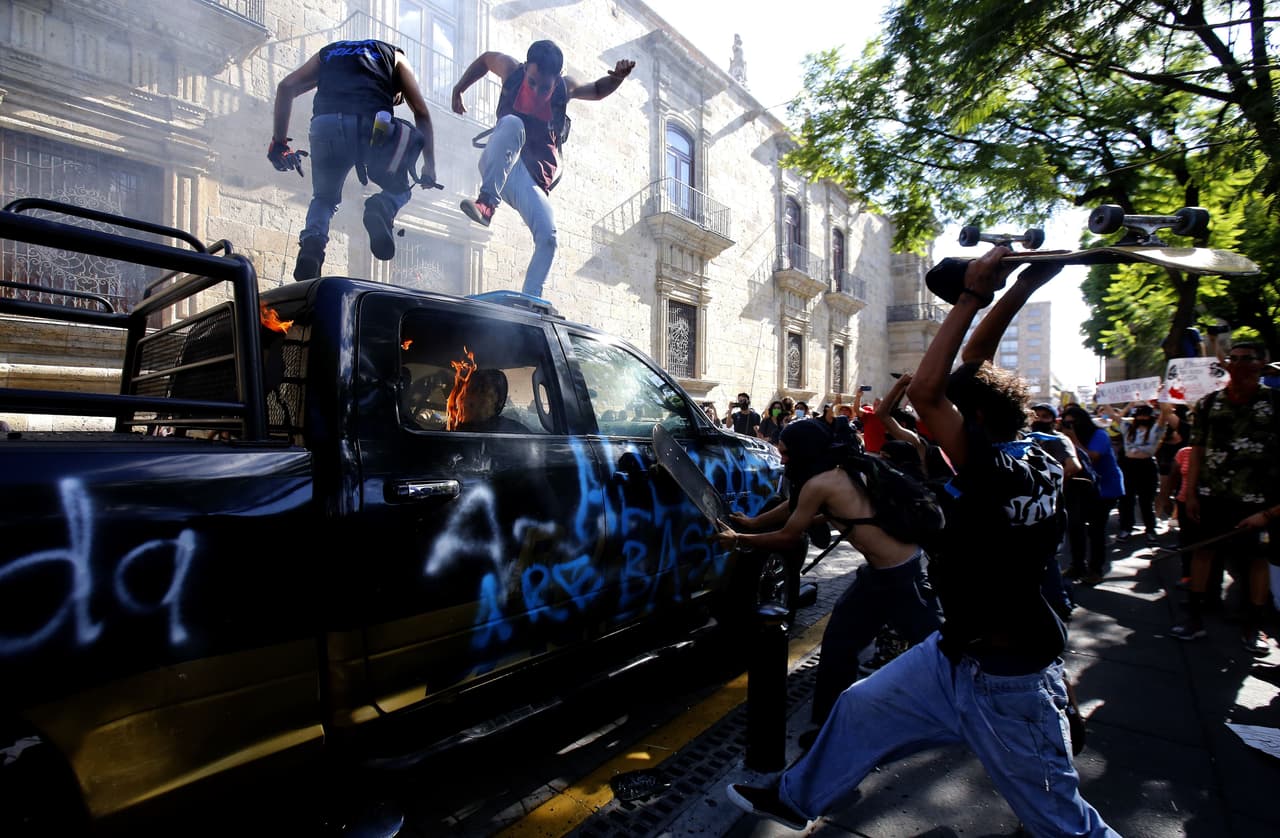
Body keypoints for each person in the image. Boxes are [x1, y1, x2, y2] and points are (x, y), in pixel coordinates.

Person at [725, 247, 1117, 837]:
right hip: (955, 652)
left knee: (1064, 825)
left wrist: (972, 296)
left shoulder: (994, 471)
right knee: (858, 706)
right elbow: (975, 368)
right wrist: (1024, 285)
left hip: (1008, 678)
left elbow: (935, 392)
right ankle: (794, 797)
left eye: (960, 412)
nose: (942, 417)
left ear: (975, 420)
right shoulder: (1036, 453)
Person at [714, 419, 941, 736]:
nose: (781, 460)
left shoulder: (821, 483)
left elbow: (788, 536)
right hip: (878, 574)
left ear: (803, 451)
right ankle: (829, 729)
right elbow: (797, 509)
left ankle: (986, 703)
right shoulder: (837, 469)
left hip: (900, 575)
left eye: (786, 453)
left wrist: (739, 539)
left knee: (942, 650)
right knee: (837, 645)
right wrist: (752, 524)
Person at [451, 42, 635, 298]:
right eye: (533, 82)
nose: (537, 92)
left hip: (530, 180)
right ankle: (486, 204)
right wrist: (459, 89)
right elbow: (484, 60)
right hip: (500, 163)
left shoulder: (565, 88)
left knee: (549, 238)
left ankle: (530, 301)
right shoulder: (511, 70)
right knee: (514, 124)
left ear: (557, 79)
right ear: (526, 68)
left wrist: (616, 78)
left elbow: (595, 89)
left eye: (545, 87)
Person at [270, 39, 437, 280]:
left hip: (324, 127)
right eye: (396, 97)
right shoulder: (397, 57)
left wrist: (279, 143)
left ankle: (312, 248)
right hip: (372, 128)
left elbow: (286, 87)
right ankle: (383, 206)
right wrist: (429, 166)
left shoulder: (327, 52)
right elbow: (421, 112)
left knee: (324, 198)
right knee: (401, 186)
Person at [1172, 342, 1279, 654]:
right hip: (1211, 496)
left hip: (1260, 500)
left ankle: (1254, 625)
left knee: (1256, 561)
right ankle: (1194, 618)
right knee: (1203, 554)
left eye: (1248, 359)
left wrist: (1271, 512)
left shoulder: (1275, 402)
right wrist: (1190, 494)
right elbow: (1199, 451)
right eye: (1234, 359)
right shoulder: (1208, 404)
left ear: (1263, 363)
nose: (1240, 365)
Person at [1060, 402, 1125, 585]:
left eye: (1073, 423)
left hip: (1103, 489)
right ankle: (1077, 565)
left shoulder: (1100, 435)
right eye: (1066, 423)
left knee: (1096, 530)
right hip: (1079, 488)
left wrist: (1072, 439)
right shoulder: (1064, 437)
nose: (1070, 427)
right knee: (1075, 527)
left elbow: (1091, 457)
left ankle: (1095, 569)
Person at [1116, 402, 1166, 546]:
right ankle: (1126, 528)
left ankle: (1150, 530)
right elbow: (1116, 416)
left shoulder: (1155, 430)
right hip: (1128, 467)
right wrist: (1129, 405)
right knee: (1126, 500)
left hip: (1146, 467)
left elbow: (1163, 417)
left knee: (1146, 501)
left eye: (1145, 415)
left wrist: (1163, 401)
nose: (1142, 418)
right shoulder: (1128, 429)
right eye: (1139, 415)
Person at [453, 369, 529, 434]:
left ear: (499, 401)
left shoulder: (515, 432)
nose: (471, 398)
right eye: (469, 391)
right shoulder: (451, 432)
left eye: (482, 391)